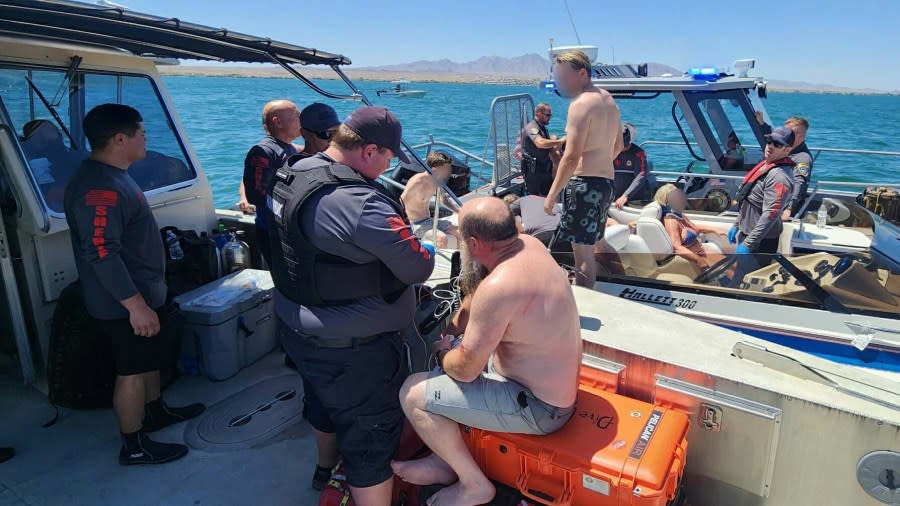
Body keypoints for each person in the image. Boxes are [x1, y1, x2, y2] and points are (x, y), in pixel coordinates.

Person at [267, 106, 435, 505]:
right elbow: (417, 266)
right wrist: (414, 217)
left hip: (297, 329)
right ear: (370, 150)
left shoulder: (294, 172)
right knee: (370, 442)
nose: (390, 166)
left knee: (323, 405)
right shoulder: (361, 203)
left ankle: (324, 469)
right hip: (354, 352)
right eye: (390, 158)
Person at [392, 197, 582, 506]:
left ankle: (472, 484)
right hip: (550, 388)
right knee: (449, 364)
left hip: (541, 409)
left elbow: (464, 369)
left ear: (473, 243)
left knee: (412, 393)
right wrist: (454, 331)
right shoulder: (529, 246)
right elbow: (475, 299)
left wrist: (442, 351)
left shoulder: (500, 287)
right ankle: (444, 460)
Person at [64, 104, 205, 466]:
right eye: (142, 133)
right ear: (120, 139)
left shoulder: (115, 175)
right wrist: (135, 304)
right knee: (130, 371)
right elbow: (101, 253)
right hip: (124, 304)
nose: (147, 139)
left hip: (143, 296)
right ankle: (134, 446)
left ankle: (155, 412)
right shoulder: (98, 188)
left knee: (149, 360)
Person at [544, 50, 623, 288]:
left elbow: (571, 156)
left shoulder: (580, 104)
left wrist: (550, 197)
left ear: (581, 73)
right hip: (605, 184)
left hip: (584, 185)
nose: (559, 82)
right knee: (594, 244)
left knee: (583, 255)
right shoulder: (608, 100)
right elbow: (618, 145)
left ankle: (584, 311)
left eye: (563, 76)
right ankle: (613, 282)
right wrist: (599, 164)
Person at [238, 100, 301, 265]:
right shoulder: (263, 151)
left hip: (289, 230)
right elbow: (256, 194)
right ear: (277, 122)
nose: (301, 120)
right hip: (273, 232)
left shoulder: (289, 148)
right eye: (297, 116)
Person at [727, 126, 795, 271]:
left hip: (760, 241)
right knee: (741, 275)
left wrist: (748, 244)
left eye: (777, 144)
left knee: (749, 281)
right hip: (748, 234)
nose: (770, 146)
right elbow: (749, 199)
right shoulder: (766, 165)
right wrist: (737, 224)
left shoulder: (779, 177)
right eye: (769, 141)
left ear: (787, 150)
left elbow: (771, 214)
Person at [655, 184, 727, 271]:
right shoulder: (671, 221)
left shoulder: (680, 216)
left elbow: (694, 228)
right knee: (730, 269)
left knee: (732, 266)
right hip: (694, 257)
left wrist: (714, 229)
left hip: (701, 251)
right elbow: (677, 248)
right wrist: (698, 260)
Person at [401, 151, 459, 248]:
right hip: (416, 225)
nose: (449, 171)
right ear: (435, 169)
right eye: (446, 169)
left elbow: (444, 200)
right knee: (441, 239)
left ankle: (461, 259)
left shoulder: (437, 181)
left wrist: (458, 210)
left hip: (429, 221)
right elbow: (401, 200)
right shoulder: (418, 181)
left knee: (460, 232)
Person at [520, 103, 564, 196]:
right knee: (536, 199)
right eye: (547, 115)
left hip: (544, 170)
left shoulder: (542, 128)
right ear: (538, 113)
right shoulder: (532, 127)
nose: (549, 117)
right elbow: (540, 143)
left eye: (550, 115)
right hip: (534, 172)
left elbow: (549, 148)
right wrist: (559, 141)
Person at [613, 122, 651, 208]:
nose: (622, 147)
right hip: (613, 197)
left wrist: (625, 196)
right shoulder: (609, 151)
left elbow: (641, 176)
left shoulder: (639, 153)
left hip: (634, 198)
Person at [782, 116, 813, 220]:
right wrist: (762, 124)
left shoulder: (802, 158)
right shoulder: (785, 149)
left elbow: (800, 183)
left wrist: (789, 208)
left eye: (789, 133)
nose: (784, 135)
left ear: (800, 137)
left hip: (785, 205)